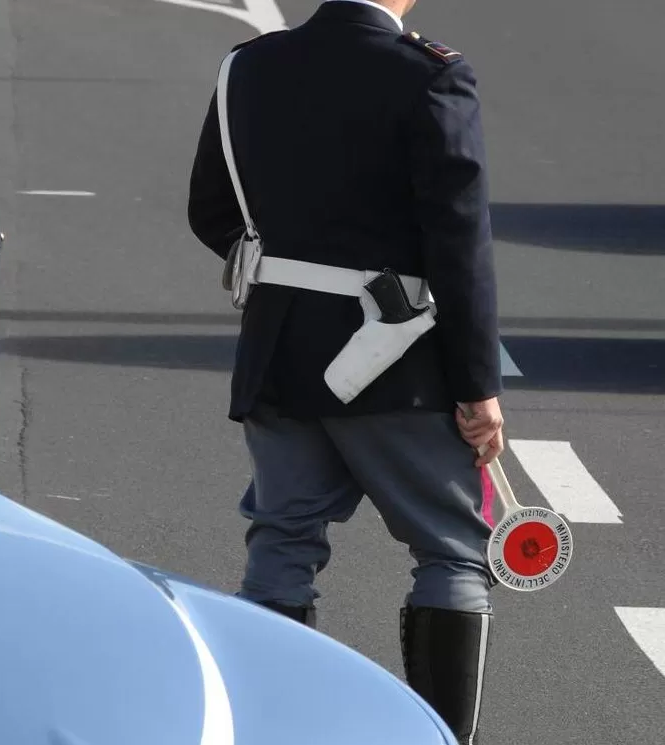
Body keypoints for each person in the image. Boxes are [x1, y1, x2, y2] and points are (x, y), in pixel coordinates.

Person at [187, 1, 504, 741]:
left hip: (281, 350)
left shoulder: (249, 65)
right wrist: (476, 384)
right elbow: (458, 243)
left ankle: (265, 729)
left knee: (280, 547)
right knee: (452, 552)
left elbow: (211, 209)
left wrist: (288, 276)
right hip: (400, 362)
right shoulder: (431, 76)